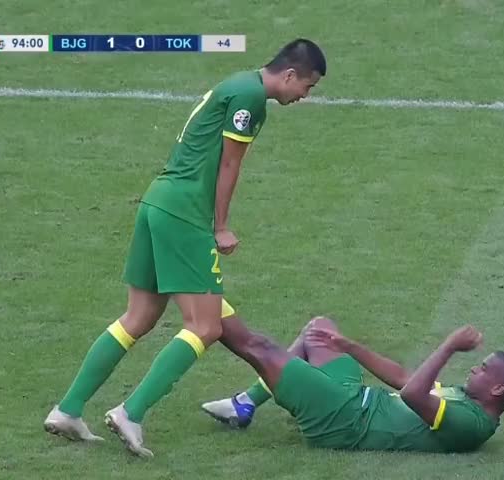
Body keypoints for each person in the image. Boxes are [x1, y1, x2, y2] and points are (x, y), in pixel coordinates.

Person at [43, 39, 327, 458]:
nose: (305, 96)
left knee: (138, 317)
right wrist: (221, 227)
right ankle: (130, 412)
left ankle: (68, 410)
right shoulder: (251, 99)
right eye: (308, 86)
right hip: (184, 214)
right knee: (206, 326)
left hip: (158, 201)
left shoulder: (236, 83)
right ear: (289, 75)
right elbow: (230, 163)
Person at [204, 315, 504, 453]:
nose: (474, 369)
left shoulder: (472, 425)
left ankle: (201, 300)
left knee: (260, 348)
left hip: (344, 421)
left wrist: (449, 346)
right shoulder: (465, 398)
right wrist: (348, 347)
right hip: (355, 399)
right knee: (319, 328)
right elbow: (404, 378)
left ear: (498, 389)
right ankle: (245, 404)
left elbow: (412, 394)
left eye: (483, 369)